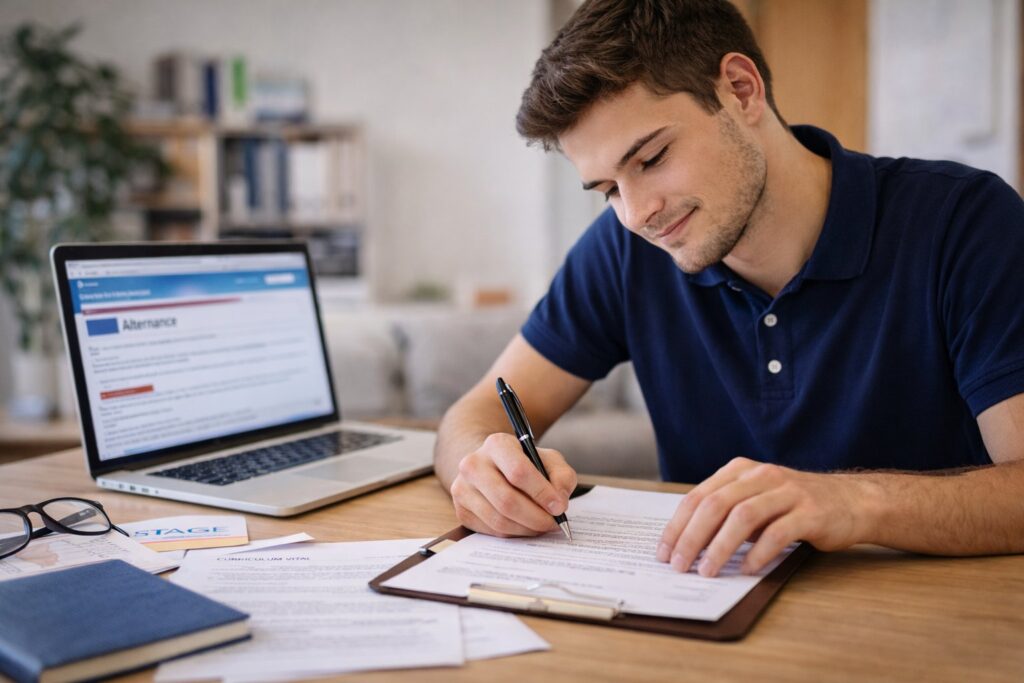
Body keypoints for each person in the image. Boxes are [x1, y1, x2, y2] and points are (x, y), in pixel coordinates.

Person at [433, 0, 1024, 578]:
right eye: (607, 189)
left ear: (741, 90)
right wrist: (482, 468)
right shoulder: (625, 251)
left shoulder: (964, 221)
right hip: (705, 623)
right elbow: (478, 411)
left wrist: (854, 502)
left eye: (653, 157)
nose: (638, 213)